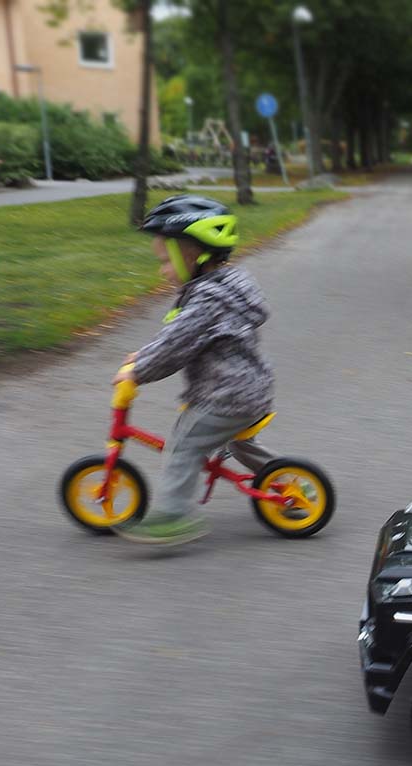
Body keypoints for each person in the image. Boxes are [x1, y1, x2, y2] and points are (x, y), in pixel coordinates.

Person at [111, 194, 276, 546]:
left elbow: (174, 346)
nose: (162, 270)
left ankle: (174, 516)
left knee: (182, 446)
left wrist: (136, 371)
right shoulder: (228, 285)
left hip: (225, 395)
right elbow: (179, 337)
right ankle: (283, 480)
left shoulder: (207, 302)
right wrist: (142, 355)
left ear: (191, 256)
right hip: (251, 389)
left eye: (165, 261)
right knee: (238, 441)